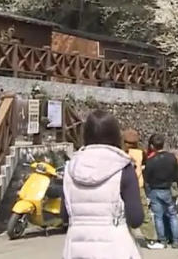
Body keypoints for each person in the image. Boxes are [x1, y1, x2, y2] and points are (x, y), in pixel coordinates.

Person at [61, 110, 144, 258]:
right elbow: (136, 218)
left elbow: (64, 216)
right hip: (116, 248)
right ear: (115, 135)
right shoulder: (123, 167)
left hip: (76, 249)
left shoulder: (70, 168)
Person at [143, 133, 178, 249]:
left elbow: (146, 177)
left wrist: (148, 191)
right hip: (168, 188)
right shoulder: (171, 157)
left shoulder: (150, 161)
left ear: (152, 146)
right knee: (172, 215)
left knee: (158, 216)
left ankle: (162, 240)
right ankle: (176, 240)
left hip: (155, 189)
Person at [123, 129, 155, 246]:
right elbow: (144, 166)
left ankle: (125, 236)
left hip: (123, 185)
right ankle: (150, 237)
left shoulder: (121, 152)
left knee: (122, 213)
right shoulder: (141, 152)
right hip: (138, 185)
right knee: (144, 212)